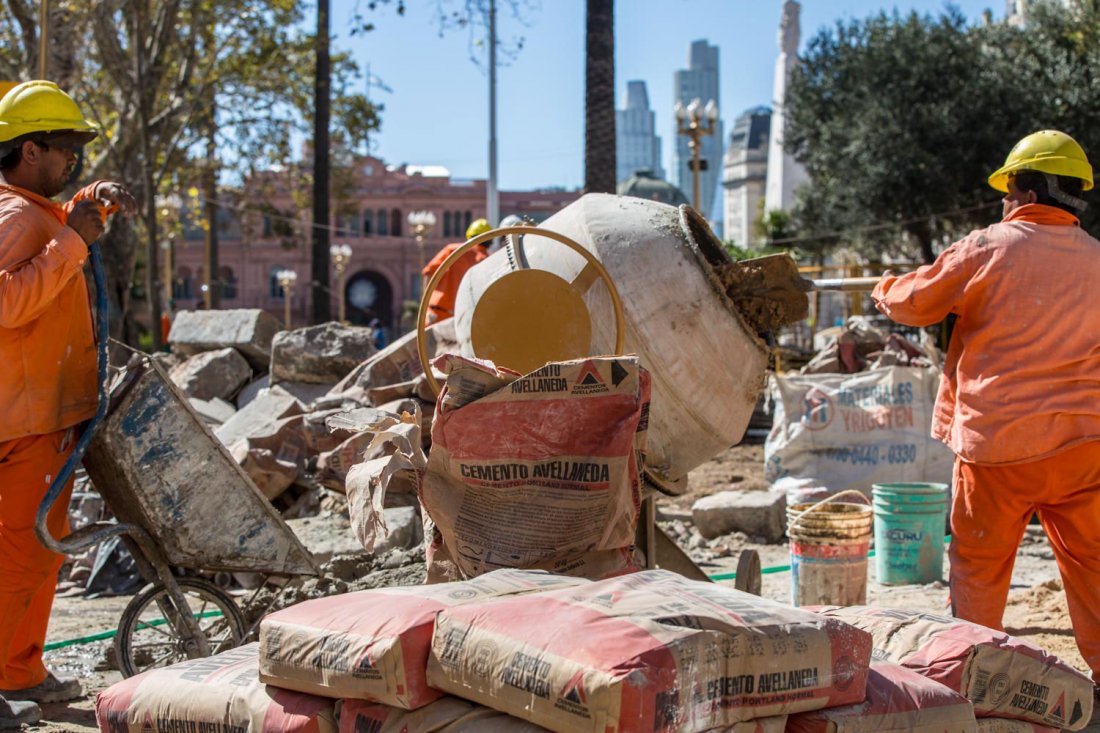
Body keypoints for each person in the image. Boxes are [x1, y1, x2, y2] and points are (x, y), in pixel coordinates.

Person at [871, 130, 1100, 688]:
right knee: (1093, 569)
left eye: (1008, 189)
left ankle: (971, 684)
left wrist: (883, 287)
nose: (1003, 201)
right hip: (1085, 449)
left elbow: (916, 303)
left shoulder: (988, 245)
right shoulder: (1097, 258)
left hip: (997, 447)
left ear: (1027, 192)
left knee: (979, 566)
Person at [0, 80, 136, 727]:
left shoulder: (31, 209)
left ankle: (20, 669)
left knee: (41, 552)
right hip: (21, 422)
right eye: (67, 151)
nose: (73, 162)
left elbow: (53, 246)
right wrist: (74, 239)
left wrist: (83, 210)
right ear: (30, 150)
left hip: (45, 419)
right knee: (19, 555)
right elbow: (7, 302)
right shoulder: (10, 216)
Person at [422, 217, 494, 324]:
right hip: (465, 319)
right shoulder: (489, 260)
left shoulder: (452, 250)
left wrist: (424, 306)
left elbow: (428, 272)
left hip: (438, 312)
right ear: (490, 241)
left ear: (469, 235)